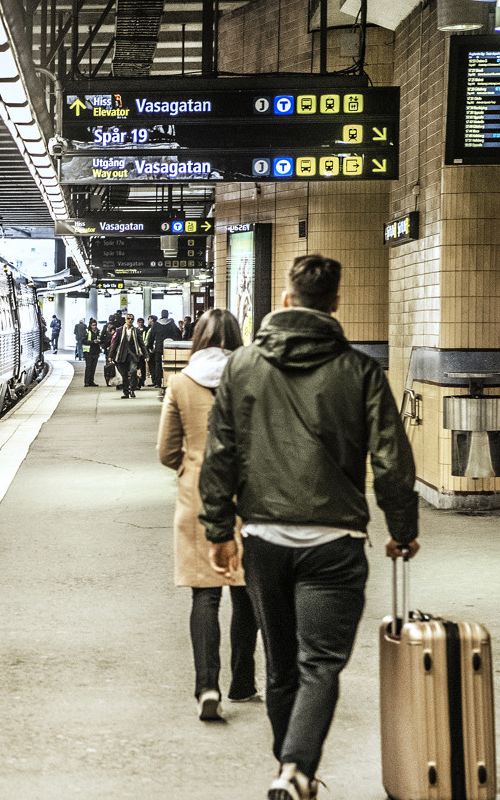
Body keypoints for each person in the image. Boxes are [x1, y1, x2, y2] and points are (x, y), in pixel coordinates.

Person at [199, 254, 419, 800]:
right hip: (334, 543)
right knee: (319, 665)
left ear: (287, 301)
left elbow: (220, 455)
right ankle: (296, 769)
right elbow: (392, 459)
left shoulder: (243, 366)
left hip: (264, 540)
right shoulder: (361, 371)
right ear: (335, 304)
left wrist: (218, 531)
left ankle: (288, 769)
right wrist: (402, 527)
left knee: (280, 665)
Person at [156, 308, 258, 722]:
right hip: (250, 497)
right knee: (247, 591)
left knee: (205, 594)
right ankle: (244, 682)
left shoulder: (180, 382)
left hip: (198, 496)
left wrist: (191, 465)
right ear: (237, 337)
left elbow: (166, 451)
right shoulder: (255, 379)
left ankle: (207, 687)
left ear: (197, 339)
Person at [111, 314, 143, 398]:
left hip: (133, 355)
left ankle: (132, 389)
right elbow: (115, 344)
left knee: (133, 371)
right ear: (125, 320)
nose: (130, 320)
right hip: (122, 355)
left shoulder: (136, 331)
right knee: (124, 375)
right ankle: (126, 392)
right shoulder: (120, 330)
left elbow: (141, 344)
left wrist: (146, 354)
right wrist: (110, 355)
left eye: (132, 319)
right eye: (128, 319)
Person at [148, 309, 180, 388]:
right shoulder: (172, 323)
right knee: (170, 364)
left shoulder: (156, 324)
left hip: (159, 347)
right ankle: (169, 382)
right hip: (170, 347)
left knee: (158, 364)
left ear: (161, 314)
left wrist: (150, 346)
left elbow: (151, 336)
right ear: (168, 314)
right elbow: (178, 334)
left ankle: (158, 383)